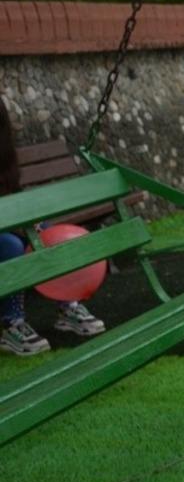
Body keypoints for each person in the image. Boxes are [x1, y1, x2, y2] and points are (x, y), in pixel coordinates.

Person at [0, 98, 106, 356]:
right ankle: (9, 323)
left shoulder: (3, 156)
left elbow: (11, 195)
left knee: (46, 232)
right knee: (10, 244)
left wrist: (27, 220)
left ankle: (68, 305)